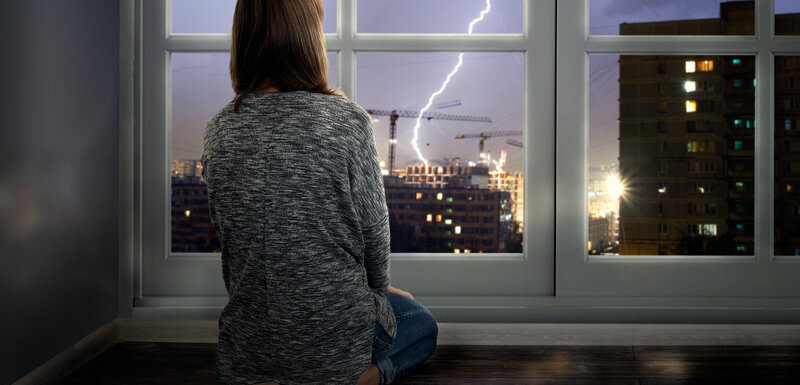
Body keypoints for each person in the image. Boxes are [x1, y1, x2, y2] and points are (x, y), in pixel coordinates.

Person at [201, 1, 438, 384]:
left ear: (243, 39)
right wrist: (381, 290)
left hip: (247, 344)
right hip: (334, 340)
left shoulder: (218, 129)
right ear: (308, 39)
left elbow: (232, 239)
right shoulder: (347, 120)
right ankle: (355, 380)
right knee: (423, 326)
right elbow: (374, 231)